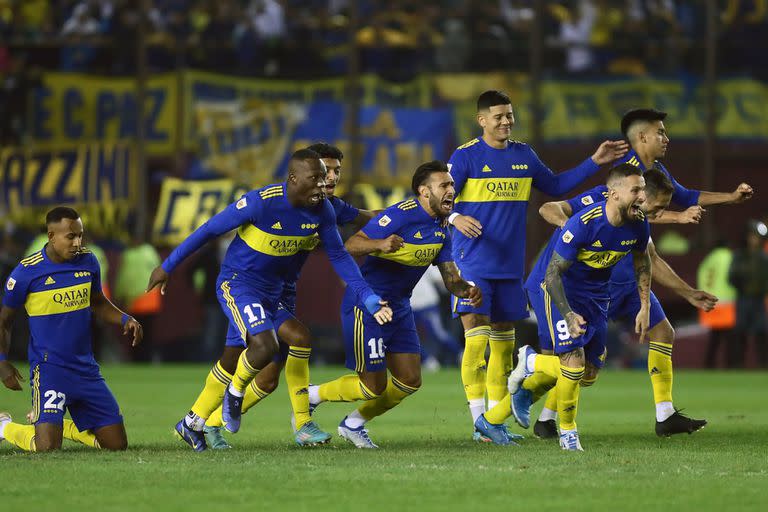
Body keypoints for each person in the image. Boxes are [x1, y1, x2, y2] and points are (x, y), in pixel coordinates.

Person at [524, 107, 751, 437]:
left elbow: (655, 241)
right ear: (642, 136)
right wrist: (571, 228)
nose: (666, 137)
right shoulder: (623, 179)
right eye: (661, 131)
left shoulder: (657, 173)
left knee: (660, 334)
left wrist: (730, 198)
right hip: (588, 283)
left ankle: (664, 414)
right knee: (571, 366)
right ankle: (528, 399)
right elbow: (597, 213)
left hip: (625, 279)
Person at [146, 149, 392, 452]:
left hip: (277, 293)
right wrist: (166, 266)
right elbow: (209, 230)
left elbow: (343, 250)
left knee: (246, 362)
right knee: (272, 344)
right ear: (294, 177)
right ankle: (256, 404)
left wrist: (367, 295)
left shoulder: (328, 210)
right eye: (319, 174)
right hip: (240, 285)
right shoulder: (260, 202)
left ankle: (195, 422)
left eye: (332, 173)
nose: (327, 181)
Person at [447, 89, 628, 439]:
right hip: (472, 260)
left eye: (510, 115)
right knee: (476, 339)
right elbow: (436, 195)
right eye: (498, 116)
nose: (506, 121)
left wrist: (595, 161)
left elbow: (557, 185)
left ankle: (494, 424)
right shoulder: (465, 156)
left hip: (510, 265)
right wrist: (454, 216)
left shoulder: (524, 155)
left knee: (502, 344)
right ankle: (477, 422)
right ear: (481, 120)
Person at [307, 161, 481, 448]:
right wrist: (380, 244)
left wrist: (467, 290)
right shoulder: (400, 215)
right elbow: (350, 245)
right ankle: (311, 395)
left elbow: (450, 277)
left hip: (400, 307)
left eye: (452, 185)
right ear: (424, 192)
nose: (452, 190)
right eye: (445, 185)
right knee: (371, 387)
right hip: (369, 304)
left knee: (410, 380)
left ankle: (353, 424)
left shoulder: (441, 230)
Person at [478, 164, 653, 449]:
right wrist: (569, 314)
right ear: (614, 194)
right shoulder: (584, 223)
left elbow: (641, 260)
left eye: (643, 189)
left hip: (596, 295)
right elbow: (552, 274)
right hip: (555, 289)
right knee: (573, 363)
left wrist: (644, 304)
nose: (643, 196)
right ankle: (568, 432)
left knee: (588, 373)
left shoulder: (638, 222)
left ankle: (496, 413)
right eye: (637, 190)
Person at [0, 207, 143, 452]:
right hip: (49, 369)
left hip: (85, 368)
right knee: (47, 448)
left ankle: (60, 425)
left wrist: (124, 318)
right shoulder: (25, 272)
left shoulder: (88, 261)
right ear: (51, 236)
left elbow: (97, 302)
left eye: (80, 235)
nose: (77, 242)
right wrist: (2, 364)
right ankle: (4, 427)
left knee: (116, 445)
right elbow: (4, 322)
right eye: (71, 237)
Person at [728, 221, 768, 368]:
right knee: (740, 333)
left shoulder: (764, 257)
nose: (755, 240)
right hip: (743, 298)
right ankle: (737, 365)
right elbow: (731, 276)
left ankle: (763, 365)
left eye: (758, 237)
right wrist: (743, 285)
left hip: (758, 299)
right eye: (753, 236)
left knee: (761, 333)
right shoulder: (740, 256)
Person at [698, 239, 737, 368]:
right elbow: (734, 277)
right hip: (727, 303)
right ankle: (730, 365)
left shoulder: (709, 258)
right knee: (729, 338)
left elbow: (701, 275)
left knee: (714, 338)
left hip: (710, 303)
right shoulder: (729, 257)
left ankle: (709, 365)